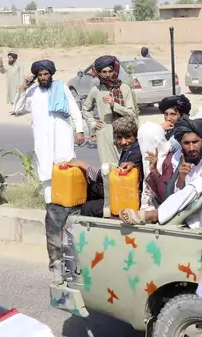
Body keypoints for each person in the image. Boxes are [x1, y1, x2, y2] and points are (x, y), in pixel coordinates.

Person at [45, 117, 141, 284]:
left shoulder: (136, 152)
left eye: (128, 137)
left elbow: (114, 180)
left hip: (125, 199)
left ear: (136, 136)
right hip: (118, 192)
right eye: (120, 138)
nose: (124, 142)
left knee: (84, 209)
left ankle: (75, 261)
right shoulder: (130, 149)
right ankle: (61, 262)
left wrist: (85, 166)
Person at [120, 118, 202, 227]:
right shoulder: (177, 157)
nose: (191, 147)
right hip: (189, 208)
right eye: (186, 143)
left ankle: (155, 215)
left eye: (195, 142)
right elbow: (176, 194)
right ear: (180, 143)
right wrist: (181, 177)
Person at [13, 60, 85, 204]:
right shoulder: (32, 92)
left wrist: (80, 131)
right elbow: (18, 110)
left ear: (51, 74)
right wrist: (23, 89)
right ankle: (49, 203)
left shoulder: (61, 87)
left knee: (66, 164)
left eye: (46, 74)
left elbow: (74, 109)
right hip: (42, 137)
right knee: (46, 170)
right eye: (40, 75)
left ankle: (68, 200)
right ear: (37, 76)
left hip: (62, 134)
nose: (43, 77)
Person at [82, 55, 138, 166]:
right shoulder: (96, 90)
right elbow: (85, 109)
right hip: (105, 132)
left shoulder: (124, 88)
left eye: (110, 71)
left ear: (115, 71)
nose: (107, 75)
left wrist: (114, 105)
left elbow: (131, 113)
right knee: (108, 168)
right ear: (99, 73)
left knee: (127, 165)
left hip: (125, 132)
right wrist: (93, 123)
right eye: (104, 72)